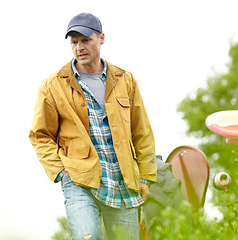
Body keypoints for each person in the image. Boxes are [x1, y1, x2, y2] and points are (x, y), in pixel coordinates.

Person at [29, 12, 157, 240]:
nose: (79, 47)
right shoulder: (52, 86)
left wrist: (145, 177)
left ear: (101, 38)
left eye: (86, 40)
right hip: (80, 181)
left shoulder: (125, 80)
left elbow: (142, 132)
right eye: (74, 42)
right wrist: (62, 172)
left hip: (123, 183)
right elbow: (40, 136)